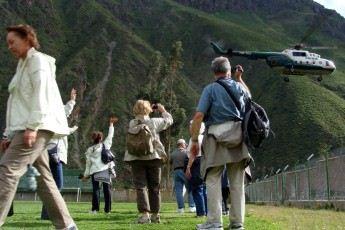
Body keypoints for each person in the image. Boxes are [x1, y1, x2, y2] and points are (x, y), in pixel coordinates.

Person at [0, 24, 77, 229]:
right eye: (7, 43)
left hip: (37, 126)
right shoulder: (23, 65)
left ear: (27, 39)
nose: (9, 47)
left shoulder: (37, 61)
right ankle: (67, 225)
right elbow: (17, 105)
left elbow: (40, 96)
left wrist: (32, 127)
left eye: (12, 42)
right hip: (27, 127)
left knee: (8, 170)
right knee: (44, 177)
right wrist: (8, 134)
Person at [190, 57, 252, 230]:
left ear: (214, 72)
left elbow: (199, 116)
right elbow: (249, 98)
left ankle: (214, 223)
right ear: (229, 71)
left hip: (215, 137)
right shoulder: (239, 87)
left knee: (213, 179)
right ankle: (237, 223)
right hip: (238, 135)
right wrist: (239, 79)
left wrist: (195, 140)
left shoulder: (210, 89)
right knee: (237, 182)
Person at [124, 100, 173, 224]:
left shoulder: (132, 123)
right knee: (154, 187)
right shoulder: (154, 122)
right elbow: (169, 121)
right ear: (149, 110)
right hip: (154, 157)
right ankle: (155, 215)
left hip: (136, 158)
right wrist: (162, 110)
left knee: (140, 187)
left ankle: (144, 215)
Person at [41, 88, 78, 220]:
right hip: (53, 153)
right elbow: (55, 131)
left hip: (53, 153)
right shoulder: (49, 114)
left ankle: (46, 214)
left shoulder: (54, 112)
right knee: (57, 184)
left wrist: (72, 100)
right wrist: (69, 130)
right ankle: (49, 214)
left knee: (51, 184)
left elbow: (65, 111)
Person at [81, 116, 118, 214]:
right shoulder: (105, 145)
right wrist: (111, 124)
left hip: (94, 171)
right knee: (107, 190)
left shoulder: (89, 150)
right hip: (105, 169)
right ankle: (107, 210)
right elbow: (110, 136)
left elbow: (88, 164)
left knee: (96, 190)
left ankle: (95, 209)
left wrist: (85, 175)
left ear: (92, 139)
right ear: (101, 138)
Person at [185, 121, 207, 217]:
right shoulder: (204, 137)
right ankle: (206, 211)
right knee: (203, 189)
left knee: (197, 189)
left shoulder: (194, 138)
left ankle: (201, 212)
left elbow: (193, 154)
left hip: (196, 163)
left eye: (191, 126)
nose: (189, 127)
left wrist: (188, 167)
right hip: (205, 161)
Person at [170, 138, 195, 213]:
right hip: (185, 171)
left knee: (178, 190)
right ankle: (192, 206)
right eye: (185, 144)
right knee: (190, 189)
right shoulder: (186, 152)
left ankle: (180, 208)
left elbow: (170, 162)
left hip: (176, 171)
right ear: (182, 144)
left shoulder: (173, 153)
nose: (186, 145)